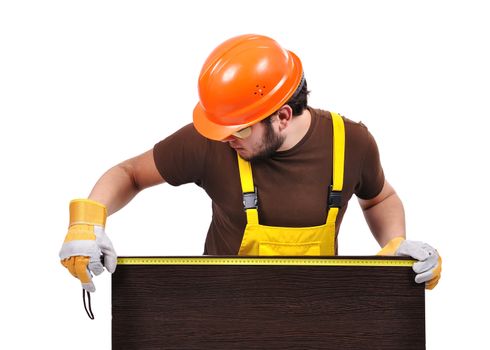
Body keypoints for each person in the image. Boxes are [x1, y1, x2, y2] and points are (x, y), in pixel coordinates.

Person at [59, 34, 442, 293]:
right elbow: (130, 173)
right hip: (222, 316)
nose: (226, 138)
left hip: (318, 317)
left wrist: (394, 245)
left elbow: (379, 198)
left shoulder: (351, 142)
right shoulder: (212, 143)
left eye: (239, 130)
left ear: (283, 117)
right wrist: (86, 222)